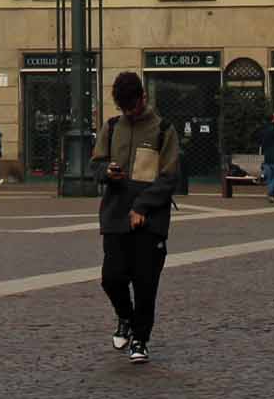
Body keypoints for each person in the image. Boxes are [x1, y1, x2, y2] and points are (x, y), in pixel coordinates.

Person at [93, 72, 179, 365]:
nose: (129, 113)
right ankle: (125, 317)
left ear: (143, 98)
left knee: (145, 284)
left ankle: (140, 339)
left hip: (151, 221)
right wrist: (106, 172)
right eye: (124, 108)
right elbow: (96, 164)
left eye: (133, 107)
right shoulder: (112, 126)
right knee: (111, 278)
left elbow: (169, 177)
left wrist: (142, 206)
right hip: (115, 216)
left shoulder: (163, 130)